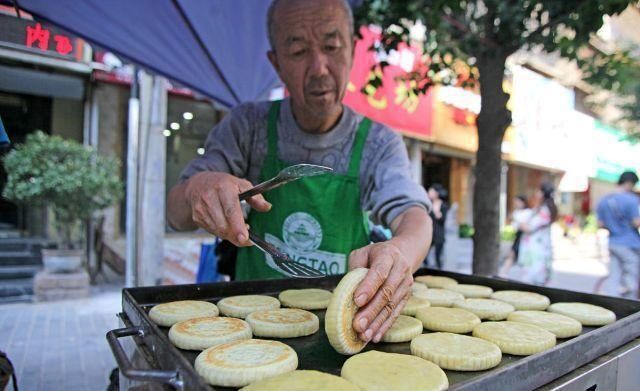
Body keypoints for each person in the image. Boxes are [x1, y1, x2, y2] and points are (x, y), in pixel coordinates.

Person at [167, 0, 432, 344]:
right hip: (250, 328)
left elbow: (413, 214)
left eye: (331, 46)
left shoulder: (379, 143)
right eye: (297, 51)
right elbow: (175, 212)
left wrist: (400, 253)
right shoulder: (246, 127)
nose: (319, 67)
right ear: (276, 63)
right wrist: (197, 189)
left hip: (342, 331)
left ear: (352, 49)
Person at [596, 171, 640, 299]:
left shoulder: (604, 200)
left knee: (614, 276)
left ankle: (612, 303)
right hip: (629, 243)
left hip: (613, 242)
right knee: (630, 276)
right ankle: (629, 303)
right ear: (629, 183)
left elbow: (600, 223)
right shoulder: (631, 200)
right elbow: (636, 222)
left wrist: (614, 226)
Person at [512, 182, 557, 285]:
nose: (536, 193)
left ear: (542, 193)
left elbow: (528, 228)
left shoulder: (544, 210)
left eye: (538, 191)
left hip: (536, 250)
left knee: (532, 281)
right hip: (539, 248)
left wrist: (517, 219)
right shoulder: (543, 208)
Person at [499, 195, 531, 277]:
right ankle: (503, 272)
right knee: (511, 254)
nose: (516, 203)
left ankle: (504, 272)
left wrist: (516, 220)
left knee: (519, 255)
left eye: (518, 201)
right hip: (518, 235)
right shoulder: (516, 212)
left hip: (525, 236)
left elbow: (526, 226)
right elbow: (514, 226)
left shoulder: (528, 212)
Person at [426, 183, 448, 269]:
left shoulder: (443, 205)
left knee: (438, 257)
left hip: (439, 234)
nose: (429, 193)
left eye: (431, 192)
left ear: (436, 193)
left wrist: (437, 212)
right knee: (424, 254)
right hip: (429, 234)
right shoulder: (428, 204)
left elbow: (443, 220)